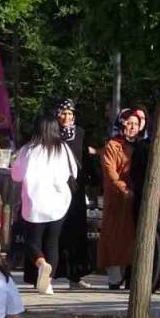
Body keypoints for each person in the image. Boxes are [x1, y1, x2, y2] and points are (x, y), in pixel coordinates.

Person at [12, 113, 77, 295]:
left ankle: (41, 263)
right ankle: (47, 284)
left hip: (35, 203)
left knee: (31, 241)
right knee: (52, 242)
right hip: (58, 202)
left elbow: (16, 175)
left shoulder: (28, 150)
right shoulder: (63, 148)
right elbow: (74, 173)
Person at [98, 109, 143, 289]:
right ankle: (114, 277)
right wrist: (124, 189)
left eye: (136, 124)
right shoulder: (112, 145)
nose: (132, 127)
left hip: (135, 197)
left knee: (132, 236)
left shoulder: (141, 145)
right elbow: (110, 172)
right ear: (121, 123)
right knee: (115, 236)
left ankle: (130, 275)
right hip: (117, 197)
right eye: (129, 123)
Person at [52, 99, 93, 290]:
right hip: (54, 189)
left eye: (70, 114)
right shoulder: (50, 134)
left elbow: (85, 160)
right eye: (63, 113)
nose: (67, 117)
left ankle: (75, 276)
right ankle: (49, 274)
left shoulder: (81, 134)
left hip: (75, 189)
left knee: (75, 230)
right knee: (54, 231)